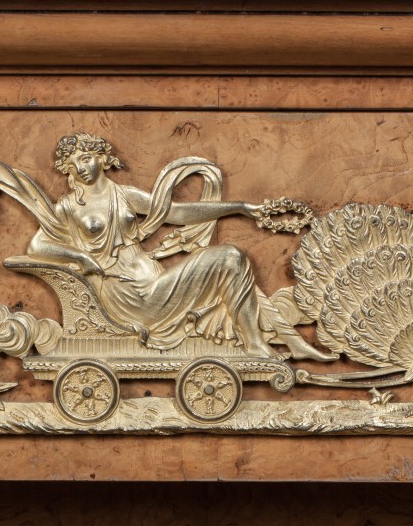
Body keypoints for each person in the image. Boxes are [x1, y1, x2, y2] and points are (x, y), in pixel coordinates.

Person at [26, 133, 331, 361]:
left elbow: (179, 213)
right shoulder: (69, 206)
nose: (81, 168)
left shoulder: (125, 195)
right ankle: (256, 343)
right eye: (73, 163)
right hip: (127, 295)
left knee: (231, 260)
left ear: (102, 158)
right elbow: (37, 245)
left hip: (153, 284)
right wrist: (80, 256)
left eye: (86, 158)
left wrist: (239, 207)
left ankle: (267, 342)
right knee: (229, 257)